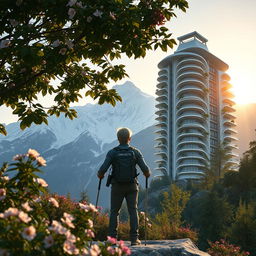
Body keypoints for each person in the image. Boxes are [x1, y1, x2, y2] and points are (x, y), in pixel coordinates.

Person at [97, 127, 151, 246]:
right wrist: (147, 174)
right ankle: (134, 239)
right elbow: (146, 170)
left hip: (117, 186)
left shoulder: (112, 152)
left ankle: (112, 239)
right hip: (132, 186)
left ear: (118, 139)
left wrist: (100, 175)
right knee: (133, 210)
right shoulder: (135, 152)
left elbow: (102, 170)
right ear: (129, 139)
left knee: (114, 212)